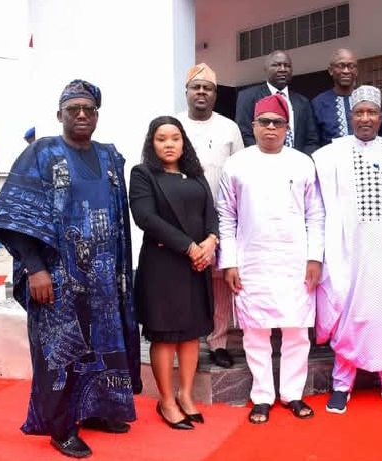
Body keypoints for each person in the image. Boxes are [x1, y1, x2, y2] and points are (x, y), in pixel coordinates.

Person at [0, 79, 140, 458]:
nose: (82, 114)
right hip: (57, 277)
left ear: (97, 115)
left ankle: (99, 409)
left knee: (104, 344)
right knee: (61, 351)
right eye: (74, 109)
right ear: (60, 115)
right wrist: (34, 268)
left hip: (104, 276)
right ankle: (61, 426)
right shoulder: (43, 153)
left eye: (89, 109)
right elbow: (14, 216)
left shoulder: (109, 156)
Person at [312, 85, 382, 414]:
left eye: (372, 112)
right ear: (351, 117)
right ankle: (341, 384)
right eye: (359, 112)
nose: (365, 118)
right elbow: (318, 196)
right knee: (349, 314)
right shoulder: (333, 153)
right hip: (349, 250)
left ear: (381, 117)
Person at [217, 94, 325, 424]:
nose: (270, 128)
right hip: (252, 260)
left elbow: (315, 214)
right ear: (253, 126)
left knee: (296, 332)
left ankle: (293, 394)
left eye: (277, 123)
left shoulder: (302, 163)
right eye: (264, 122)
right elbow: (226, 215)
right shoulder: (237, 164)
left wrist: (314, 258)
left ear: (287, 128)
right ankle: (262, 396)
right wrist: (229, 262)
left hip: (295, 260)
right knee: (255, 332)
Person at [130, 116, 219, 430]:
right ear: (152, 143)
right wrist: (190, 248)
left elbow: (211, 212)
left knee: (192, 333)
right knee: (166, 335)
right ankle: (166, 400)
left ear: (184, 142)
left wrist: (211, 241)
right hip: (163, 266)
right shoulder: (143, 174)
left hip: (197, 264)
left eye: (175, 138)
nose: (169, 144)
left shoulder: (195, 174)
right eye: (161, 139)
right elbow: (146, 217)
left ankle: (186, 395)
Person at [176, 63, 244, 369]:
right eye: (196, 87)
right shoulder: (174, 125)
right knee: (184, 282)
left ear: (215, 94)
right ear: (186, 92)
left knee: (219, 284)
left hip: (220, 218)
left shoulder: (229, 128)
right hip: (181, 218)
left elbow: (239, 173)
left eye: (208, 88)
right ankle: (185, 341)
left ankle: (218, 342)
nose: (201, 92)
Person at [235, 50, 320, 154]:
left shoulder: (302, 102)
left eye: (287, 66)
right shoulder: (248, 96)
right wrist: (265, 157)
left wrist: (303, 159)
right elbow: (244, 134)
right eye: (276, 65)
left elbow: (311, 139)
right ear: (266, 69)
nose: (282, 69)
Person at [310, 48, 358, 146]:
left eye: (351, 66)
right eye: (341, 66)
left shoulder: (367, 99)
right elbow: (312, 141)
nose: (346, 71)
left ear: (356, 71)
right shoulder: (318, 103)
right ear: (331, 70)